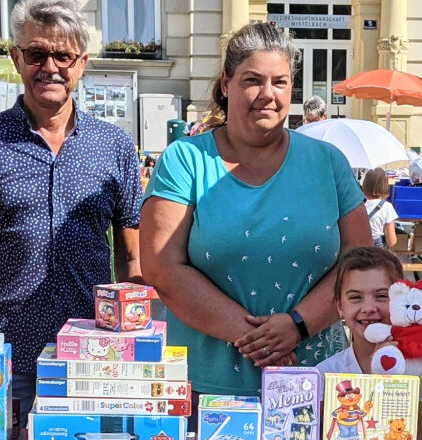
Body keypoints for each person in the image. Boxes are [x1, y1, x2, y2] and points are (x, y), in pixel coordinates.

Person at [139, 20, 370, 422]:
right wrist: (260, 339)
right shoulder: (185, 160)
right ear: (226, 83)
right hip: (206, 391)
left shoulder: (328, 162)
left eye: (279, 82)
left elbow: (361, 261)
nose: (267, 94)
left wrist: (297, 326)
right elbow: (162, 266)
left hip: (320, 382)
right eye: (252, 80)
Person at [0, 0, 143, 419]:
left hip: (90, 352)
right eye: (36, 53)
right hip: (2, 354)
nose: (51, 66)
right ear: (17, 59)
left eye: (63, 55)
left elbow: (132, 253)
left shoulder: (115, 146)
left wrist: (132, 344)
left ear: (81, 63)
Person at [316, 246, 422, 440]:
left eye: (381, 296)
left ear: (400, 299)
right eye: (356, 297)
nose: (368, 307)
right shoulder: (324, 374)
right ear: (340, 306)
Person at [361, 167, 398, 248]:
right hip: (375, 248)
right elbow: (391, 241)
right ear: (384, 185)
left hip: (357, 247)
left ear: (365, 183)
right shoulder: (387, 207)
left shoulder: (356, 204)